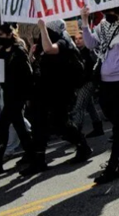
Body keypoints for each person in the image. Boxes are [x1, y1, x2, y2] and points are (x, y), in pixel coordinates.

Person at [22, 19, 92, 175]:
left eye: (46, 30)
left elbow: (49, 50)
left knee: (60, 123)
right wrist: (32, 55)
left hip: (60, 91)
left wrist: (42, 27)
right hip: (44, 90)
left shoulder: (63, 40)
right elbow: (40, 59)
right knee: (39, 124)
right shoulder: (45, 42)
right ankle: (38, 161)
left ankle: (83, 146)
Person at [81, 6, 119, 184]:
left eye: (112, 12)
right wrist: (85, 22)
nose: (109, 15)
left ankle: (113, 167)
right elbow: (91, 44)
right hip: (105, 83)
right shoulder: (102, 26)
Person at [0, 24, 35, 174]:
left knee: (3, 125)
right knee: (18, 126)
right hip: (7, 93)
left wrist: (28, 95)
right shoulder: (1, 51)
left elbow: (28, 74)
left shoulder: (18, 52)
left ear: (10, 34)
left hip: (17, 95)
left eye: (1, 34)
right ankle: (31, 154)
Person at [70, 29, 104, 138]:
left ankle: (76, 133)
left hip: (89, 82)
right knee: (89, 105)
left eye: (80, 38)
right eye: (76, 39)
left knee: (79, 107)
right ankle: (98, 128)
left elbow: (95, 67)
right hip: (81, 83)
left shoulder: (90, 52)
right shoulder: (77, 52)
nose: (78, 41)